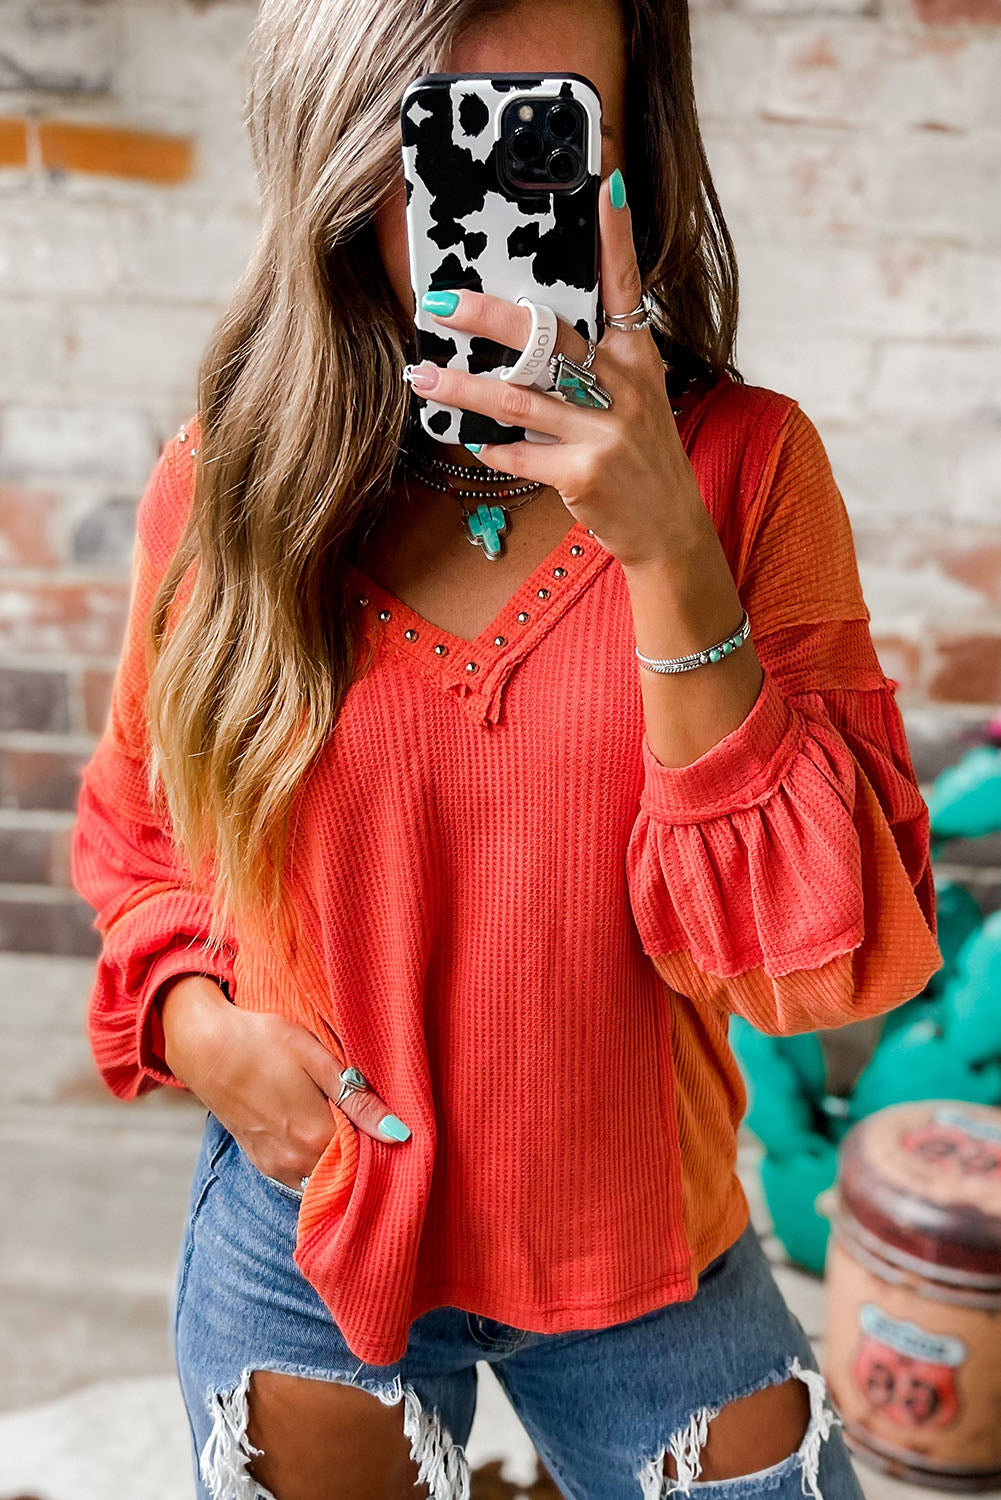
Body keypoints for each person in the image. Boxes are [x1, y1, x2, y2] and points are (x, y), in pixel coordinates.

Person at [70, 0, 943, 1496]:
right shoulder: (227, 484)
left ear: (629, 157)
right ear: (344, 148)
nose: (484, 199)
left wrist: (668, 552)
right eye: (438, 132)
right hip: (314, 1228)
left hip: (642, 1244)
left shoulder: (746, 475)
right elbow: (139, 837)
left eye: (547, 134)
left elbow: (797, 965)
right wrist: (202, 1033)